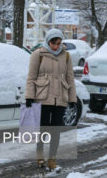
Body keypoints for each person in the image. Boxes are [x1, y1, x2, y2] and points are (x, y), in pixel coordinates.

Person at [25, 28, 77, 170]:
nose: (56, 46)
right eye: (53, 43)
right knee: (43, 129)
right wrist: (29, 96)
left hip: (60, 97)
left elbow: (70, 77)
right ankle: (40, 154)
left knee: (56, 130)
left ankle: (52, 159)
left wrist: (72, 98)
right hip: (43, 97)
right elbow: (31, 76)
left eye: (59, 43)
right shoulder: (38, 54)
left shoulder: (66, 56)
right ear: (48, 41)